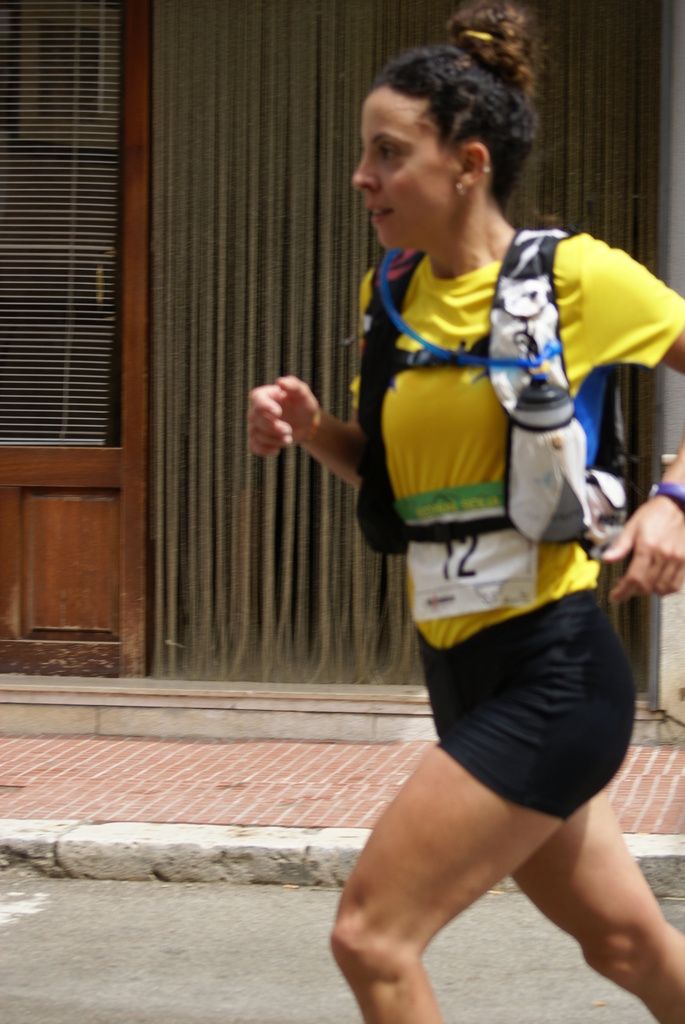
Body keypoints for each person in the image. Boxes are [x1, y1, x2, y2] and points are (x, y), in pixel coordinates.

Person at [247, 2, 685, 1020]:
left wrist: (672, 498)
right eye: (364, 152)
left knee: (372, 936)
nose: (361, 176)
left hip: (554, 669)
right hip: (457, 668)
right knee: (625, 944)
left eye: (387, 153)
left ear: (467, 164)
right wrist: (312, 429)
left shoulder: (573, 276)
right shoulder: (391, 296)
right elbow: (399, 483)